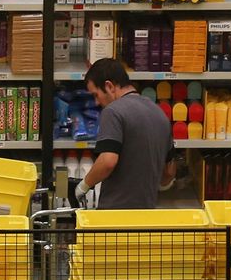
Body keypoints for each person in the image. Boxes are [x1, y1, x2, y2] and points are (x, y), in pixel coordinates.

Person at [70, 58, 176, 210]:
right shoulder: (160, 114)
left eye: (96, 95)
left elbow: (108, 161)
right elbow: (169, 172)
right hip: (148, 214)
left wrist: (83, 185)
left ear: (109, 86)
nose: (97, 102)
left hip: (115, 216)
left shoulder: (113, 112)